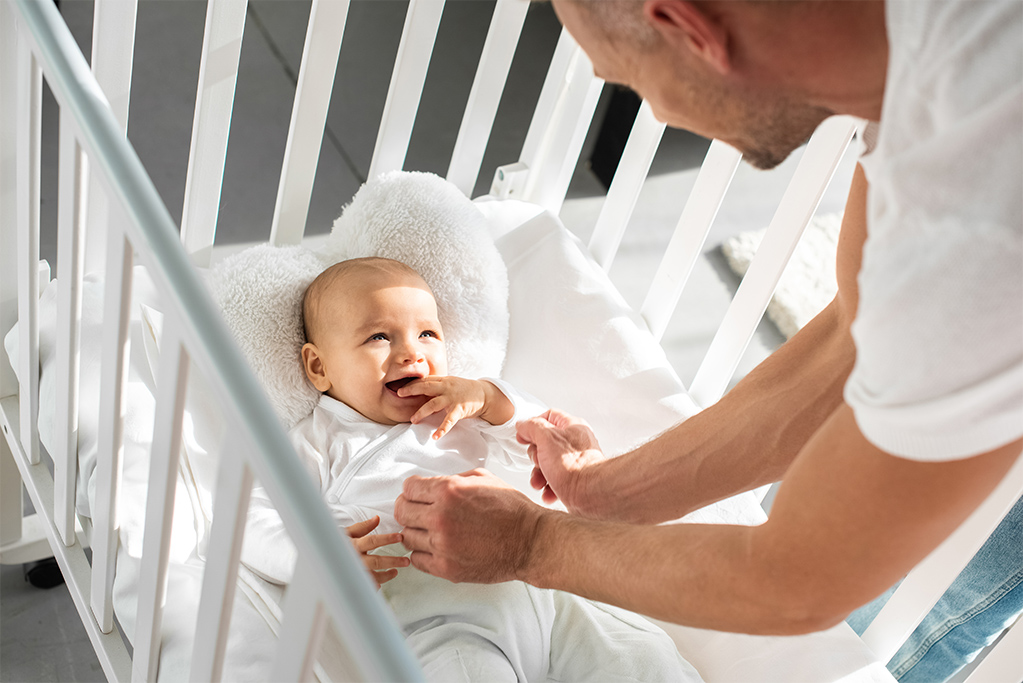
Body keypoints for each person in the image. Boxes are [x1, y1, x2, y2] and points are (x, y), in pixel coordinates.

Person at [393, 1, 1023, 681]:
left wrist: (529, 543)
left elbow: (799, 578)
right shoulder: (929, 45)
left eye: (631, 83)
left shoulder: (979, 211)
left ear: (687, 29)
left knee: (916, 610)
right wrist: (609, 492)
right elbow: (860, 328)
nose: (655, 116)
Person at [240, 257, 700, 682]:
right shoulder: (318, 440)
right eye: (379, 337)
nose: (410, 353)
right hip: (444, 613)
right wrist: (316, 558)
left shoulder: (456, 410)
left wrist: (490, 398)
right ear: (319, 367)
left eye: (428, 334)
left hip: (542, 587)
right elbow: (250, 516)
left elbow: (536, 439)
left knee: (639, 655)